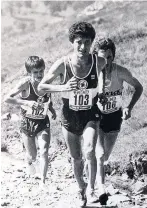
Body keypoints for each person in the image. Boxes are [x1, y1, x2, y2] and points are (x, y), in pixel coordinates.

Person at [38, 22, 106, 206]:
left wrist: (102, 95)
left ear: (92, 42)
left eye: (87, 42)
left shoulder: (99, 62)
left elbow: (102, 81)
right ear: (72, 42)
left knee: (90, 150)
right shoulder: (63, 64)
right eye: (78, 42)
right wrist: (63, 87)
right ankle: (81, 188)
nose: (83, 47)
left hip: (90, 114)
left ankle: (91, 190)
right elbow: (41, 87)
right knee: (76, 158)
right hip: (69, 116)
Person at [93, 38, 143, 204]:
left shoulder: (120, 71)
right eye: (102, 57)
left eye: (109, 56)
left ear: (113, 56)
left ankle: (91, 176)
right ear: (96, 56)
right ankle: (100, 189)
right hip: (96, 116)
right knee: (99, 155)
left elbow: (139, 87)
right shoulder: (91, 72)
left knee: (105, 156)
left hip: (114, 116)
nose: (106, 61)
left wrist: (129, 107)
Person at [5, 56, 56, 187]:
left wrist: (52, 109)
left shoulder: (47, 82)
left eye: (41, 71)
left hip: (42, 122)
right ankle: (29, 160)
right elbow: (7, 99)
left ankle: (43, 182)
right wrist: (26, 102)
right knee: (32, 156)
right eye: (35, 72)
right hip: (27, 122)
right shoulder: (25, 84)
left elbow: (47, 99)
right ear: (29, 72)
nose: (39, 75)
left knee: (44, 150)